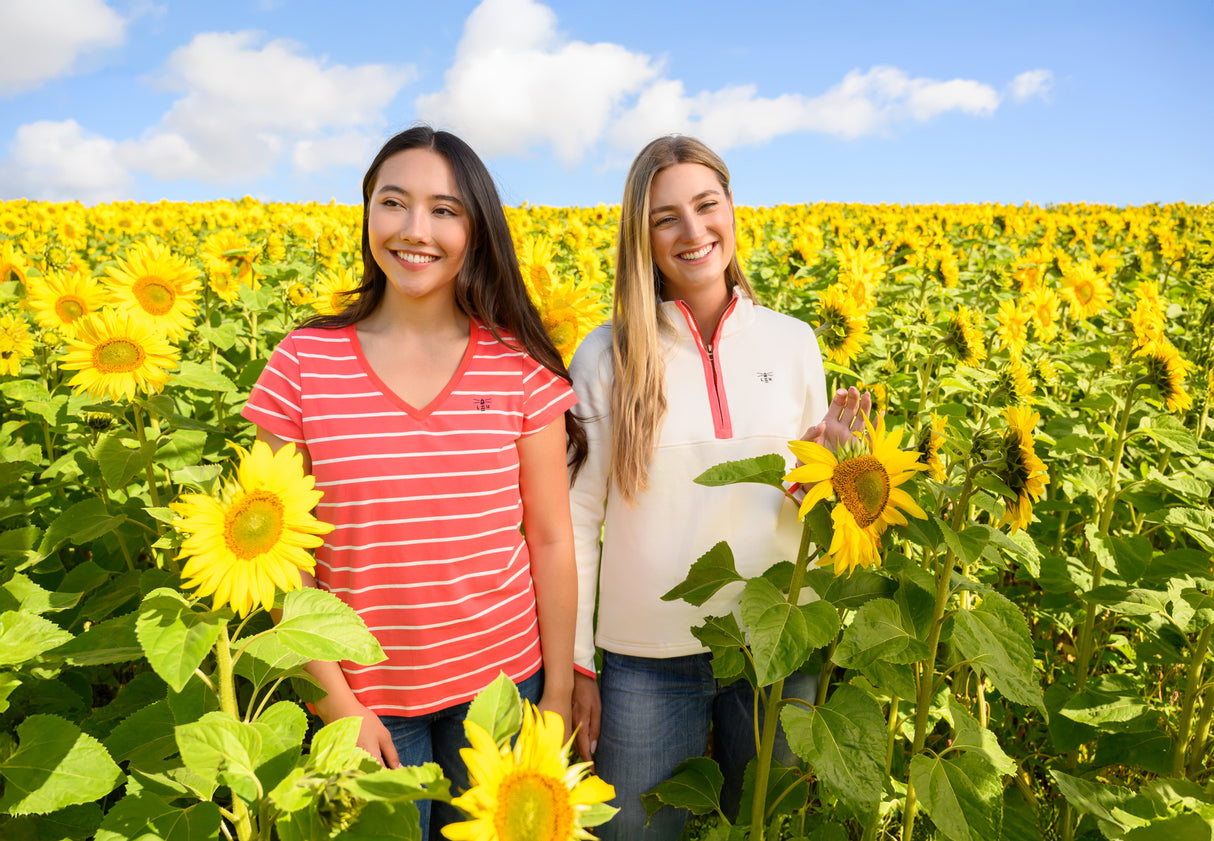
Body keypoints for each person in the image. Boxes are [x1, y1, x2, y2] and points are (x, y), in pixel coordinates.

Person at [242, 126, 585, 840]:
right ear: (367, 213)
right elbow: (282, 562)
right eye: (393, 203)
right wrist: (335, 700)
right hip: (366, 696)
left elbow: (551, 538)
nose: (413, 230)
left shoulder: (518, 363)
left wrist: (554, 690)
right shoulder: (304, 362)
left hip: (502, 686)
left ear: (477, 228)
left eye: (444, 210)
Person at [568, 135, 869, 840]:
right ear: (639, 235)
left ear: (733, 209)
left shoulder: (793, 341)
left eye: (707, 206)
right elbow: (580, 516)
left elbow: (797, 501)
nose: (693, 230)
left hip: (775, 641)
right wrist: (579, 660)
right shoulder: (606, 353)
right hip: (646, 660)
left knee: (767, 826)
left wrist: (827, 466)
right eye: (665, 216)